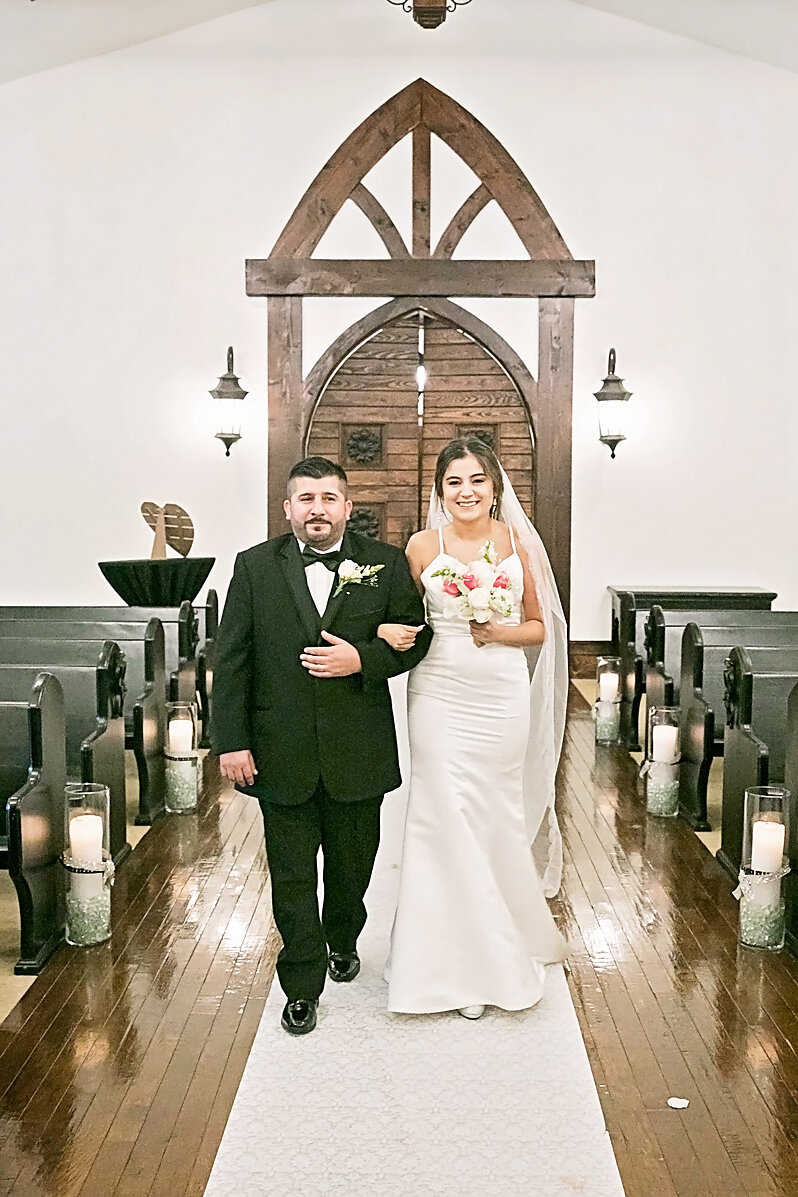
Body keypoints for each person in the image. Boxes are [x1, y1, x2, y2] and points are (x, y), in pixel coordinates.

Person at [211, 457, 432, 1036]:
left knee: (352, 867)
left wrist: (364, 657)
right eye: (305, 499)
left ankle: (343, 935)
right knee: (290, 876)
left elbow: (417, 636)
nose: (317, 509)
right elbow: (230, 660)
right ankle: (301, 982)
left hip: (357, 748)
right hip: (277, 749)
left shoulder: (382, 564)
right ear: (288, 509)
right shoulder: (255, 566)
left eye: (329, 498)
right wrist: (231, 741)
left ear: (347, 507)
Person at [379, 436, 569, 1019]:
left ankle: (494, 950)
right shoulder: (418, 547)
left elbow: (540, 627)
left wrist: (497, 631)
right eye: (454, 482)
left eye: (477, 481)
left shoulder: (516, 545)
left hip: (500, 690)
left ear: (495, 487)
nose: (466, 492)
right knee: (441, 812)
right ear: (439, 490)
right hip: (438, 687)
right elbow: (402, 614)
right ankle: (442, 965)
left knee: (493, 813)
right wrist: (389, 631)